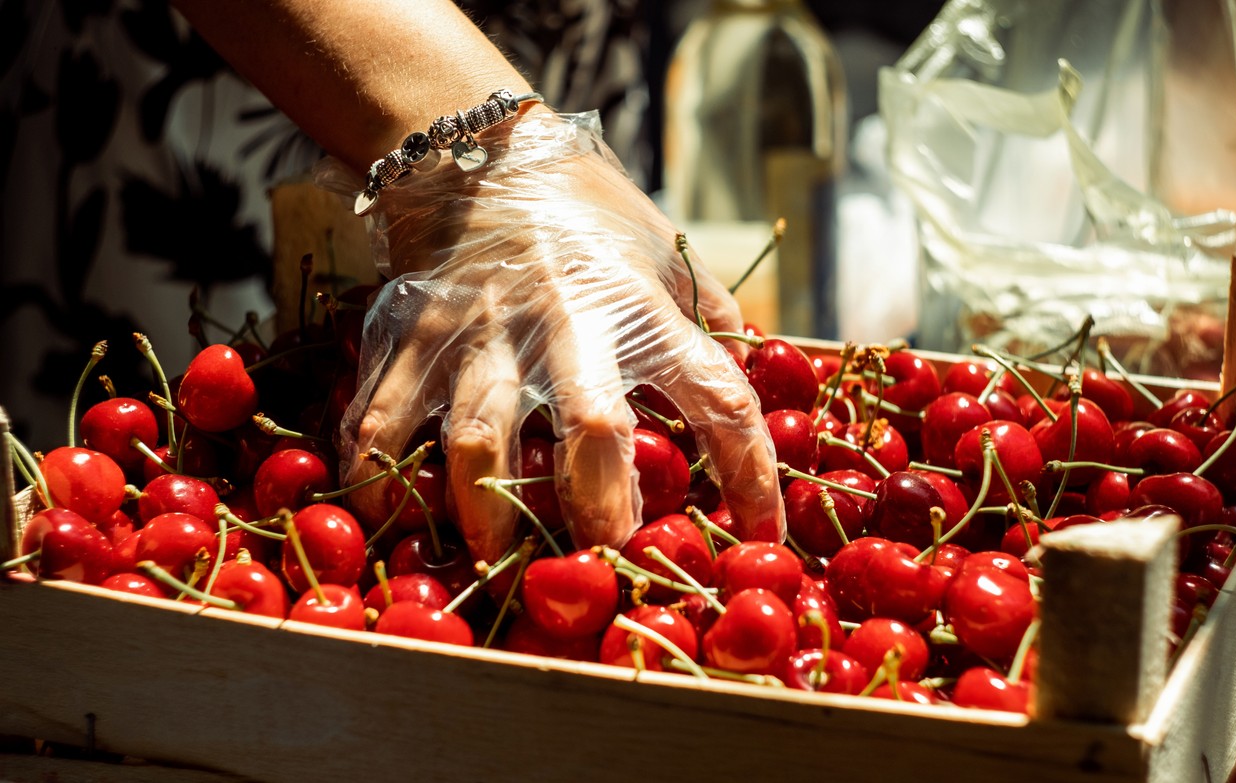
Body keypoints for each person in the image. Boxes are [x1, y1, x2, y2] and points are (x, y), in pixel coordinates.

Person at [169, 0, 785, 561]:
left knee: (576, 391)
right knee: (257, 405)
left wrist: (552, 167)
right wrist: (483, 160)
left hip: (566, 112)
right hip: (231, 106)